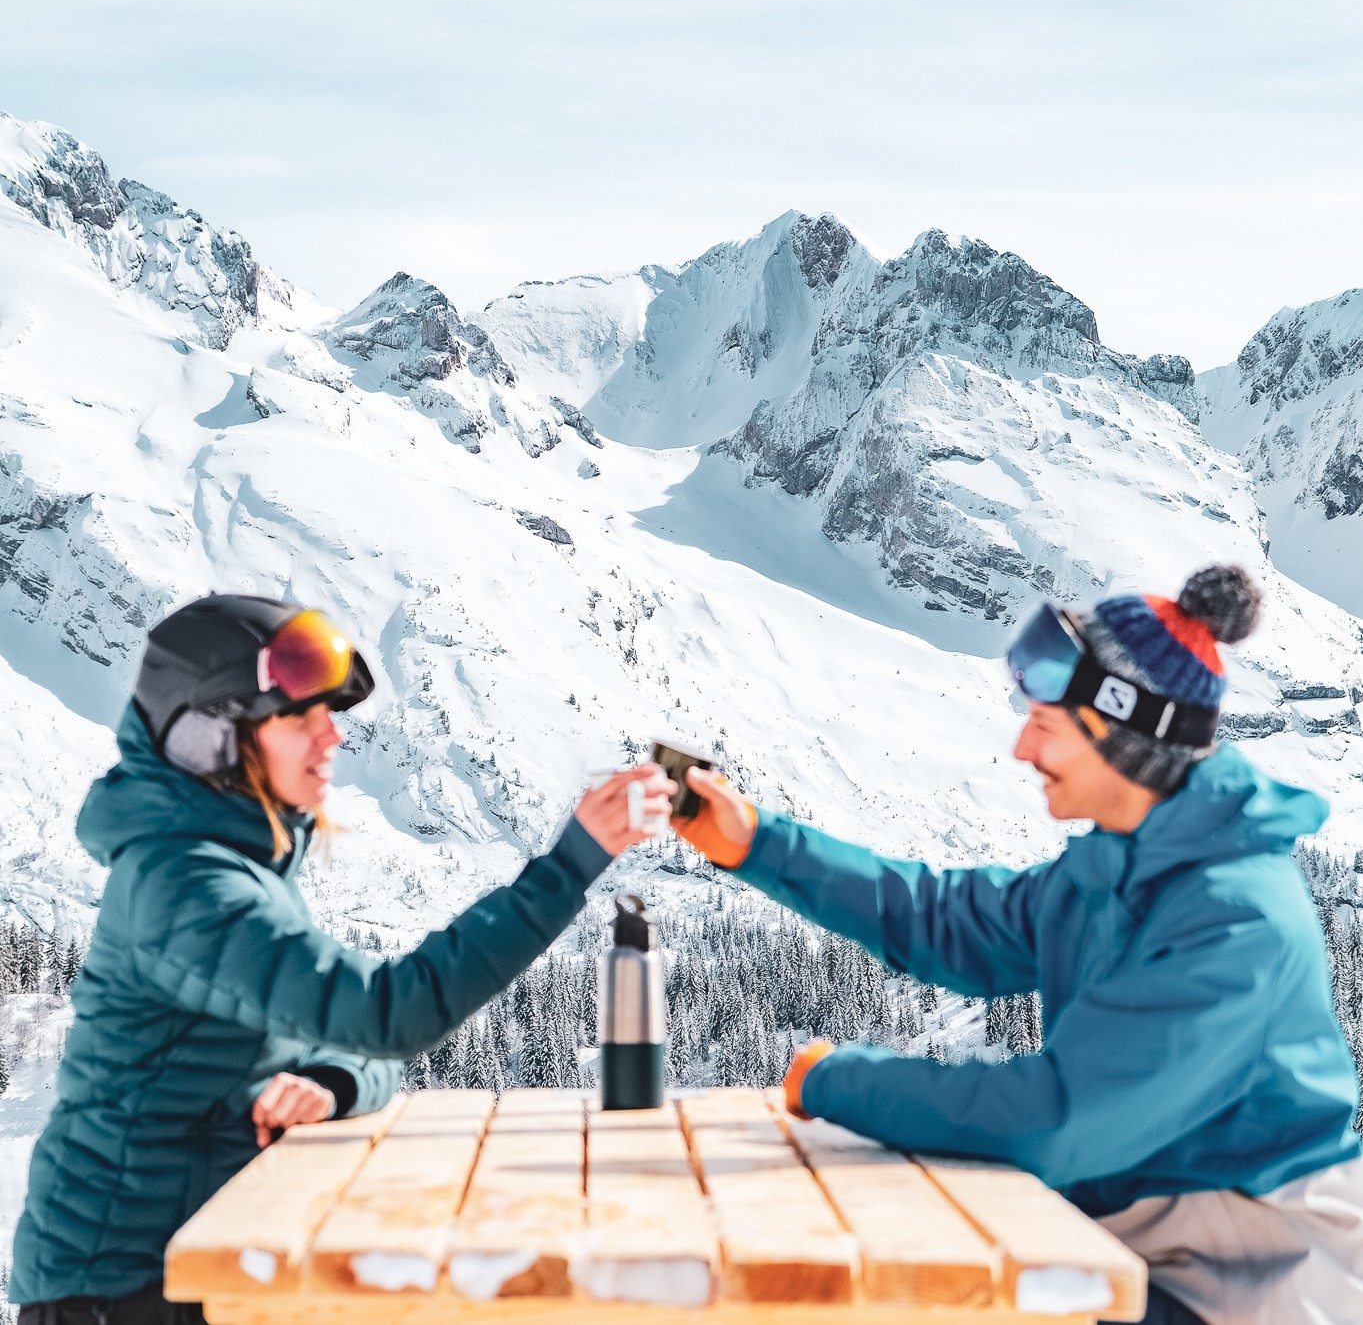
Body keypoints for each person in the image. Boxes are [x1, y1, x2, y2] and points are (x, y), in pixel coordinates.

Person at [675, 565, 1363, 1325]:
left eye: (1044, 725)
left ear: (1120, 737)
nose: (1020, 749)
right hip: (1138, 1246)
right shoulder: (1113, 868)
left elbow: (1053, 1121)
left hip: (1257, 1278)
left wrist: (833, 1082)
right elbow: (945, 919)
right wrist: (758, 846)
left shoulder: (1236, 922)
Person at [9, 595, 674, 1325]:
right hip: (116, 1290)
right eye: (302, 718)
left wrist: (329, 1082)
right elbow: (386, 1015)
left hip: (202, 1258)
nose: (333, 739)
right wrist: (571, 863)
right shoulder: (188, 885)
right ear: (214, 737)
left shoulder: (239, 866)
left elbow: (363, 1046)